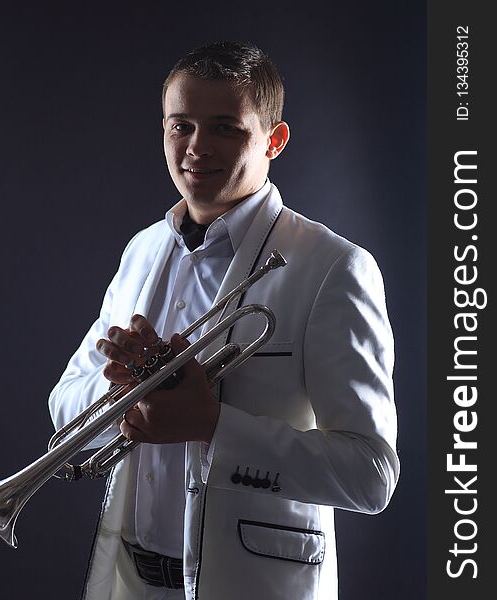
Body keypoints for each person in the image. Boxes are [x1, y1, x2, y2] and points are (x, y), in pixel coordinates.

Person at [49, 41, 400, 600]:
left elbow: (370, 475)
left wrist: (212, 425)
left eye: (225, 128)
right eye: (179, 126)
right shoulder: (141, 251)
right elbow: (62, 406)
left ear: (274, 140)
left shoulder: (334, 267)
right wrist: (122, 390)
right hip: (130, 583)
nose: (196, 148)